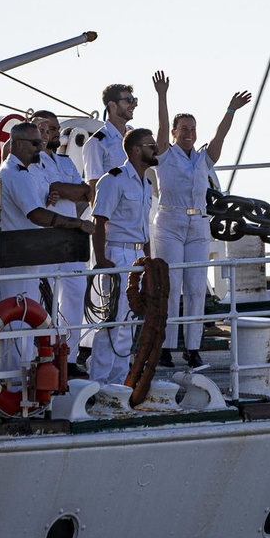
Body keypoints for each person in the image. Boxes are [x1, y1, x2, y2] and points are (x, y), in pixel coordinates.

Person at [151, 71, 252, 368]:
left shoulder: (202, 158)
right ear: (174, 133)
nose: (188, 133)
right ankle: (166, 347)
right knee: (170, 285)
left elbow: (220, 136)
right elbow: (159, 126)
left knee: (195, 286)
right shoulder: (165, 156)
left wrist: (231, 110)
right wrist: (162, 95)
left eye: (192, 129)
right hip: (169, 223)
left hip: (197, 224)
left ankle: (192, 348)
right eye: (182, 129)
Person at [0, 122, 93, 305]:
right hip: (18, 264)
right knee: (19, 325)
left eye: (40, 143)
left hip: (25, 260)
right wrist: (79, 224)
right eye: (34, 143)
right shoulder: (16, 174)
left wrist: (46, 203)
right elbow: (37, 215)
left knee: (27, 322)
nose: (40, 147)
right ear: (17, 143)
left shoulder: (17, 171)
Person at [89, 128, 156, 385]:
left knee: (128, 322)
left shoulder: (146, 183)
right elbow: (99, 222)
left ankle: (119, 382)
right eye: (151, 145)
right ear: (137, 150)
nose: (156, 149)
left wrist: (149, 261)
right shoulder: (113, 180)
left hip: (138, 255)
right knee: (112, 320)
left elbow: (145, 228)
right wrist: (102, 261)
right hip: (117, 253)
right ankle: (99, 382)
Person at [33, 110, 93, 373]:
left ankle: (68, 356)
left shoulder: (66, 162)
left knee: (74, 293)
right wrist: (62, 189)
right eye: (47, 129)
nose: (54, 134)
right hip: (45, 236)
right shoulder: (32, 164)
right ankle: (42, 352)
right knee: (44, 296)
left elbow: (84, 192)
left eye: (56, 129)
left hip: (71, 236)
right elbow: (60, 189)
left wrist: (61, 189)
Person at [84, 83, 138, 189]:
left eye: (134, 100)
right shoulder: (96, 143)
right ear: (112, 105)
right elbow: (94, 186)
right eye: (129, 100)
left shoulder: (134, 137)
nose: (134, 104)